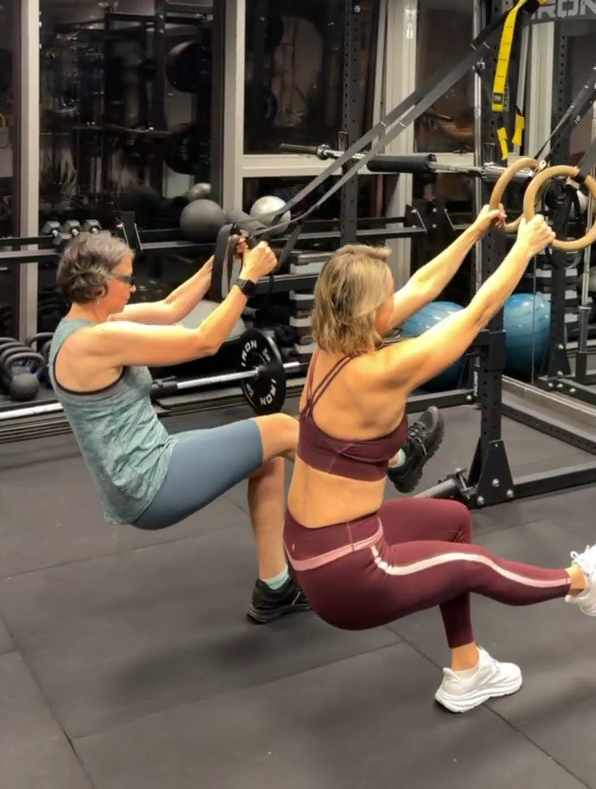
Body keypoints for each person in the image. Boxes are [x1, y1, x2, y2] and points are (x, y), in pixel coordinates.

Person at [284, 205, 596, 713]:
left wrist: (473, 232)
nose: (397, 300)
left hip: (313, 544)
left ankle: (468, 668)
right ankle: (583, 582)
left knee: (453, 521)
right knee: (474, 566)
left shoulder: (330, 347)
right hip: (346, 574)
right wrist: (525, 246)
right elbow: (475, 315)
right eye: (388, 297)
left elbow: (423, 285)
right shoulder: (378, 371)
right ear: (368, 310)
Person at [48, 230, 444, 624]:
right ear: (99, 287)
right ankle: (395, 461)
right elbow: (204, 341)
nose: (134, 287)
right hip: (147, 482)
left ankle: (275, 586)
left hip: (146, 464)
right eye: (126, 279)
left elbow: (171, 307)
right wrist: (248, 278)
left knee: (266, 457)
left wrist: (220, 262)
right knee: (281, 429)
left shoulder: (87, 325)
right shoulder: (95, 341)